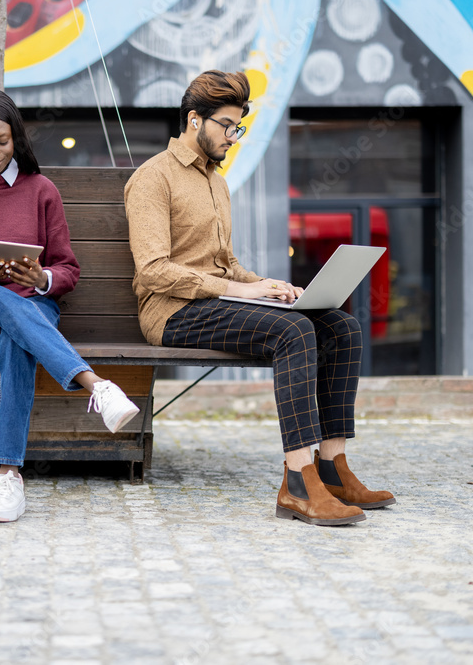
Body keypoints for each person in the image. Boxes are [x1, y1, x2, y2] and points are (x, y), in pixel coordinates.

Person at [124, 70, 395, 526]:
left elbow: (225, 264)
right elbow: (154, 270)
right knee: (293, 331)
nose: (234, 137)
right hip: (171, 312)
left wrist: (270, 286)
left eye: (238, 128)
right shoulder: (153, 178)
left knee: (341, 326)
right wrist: (240, 290)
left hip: (214, 302)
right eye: (228, 126)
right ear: (195, 120)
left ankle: (332, 467)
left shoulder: (216, 181)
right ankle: (297, 481)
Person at [0, 89, 140, 523]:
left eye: (2, 141)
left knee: (16, 338)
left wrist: (41, 279)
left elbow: (67, 270)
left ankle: (9, 476)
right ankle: (96, 385)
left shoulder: (41, 190)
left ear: (16, 138)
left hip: (34, 310)